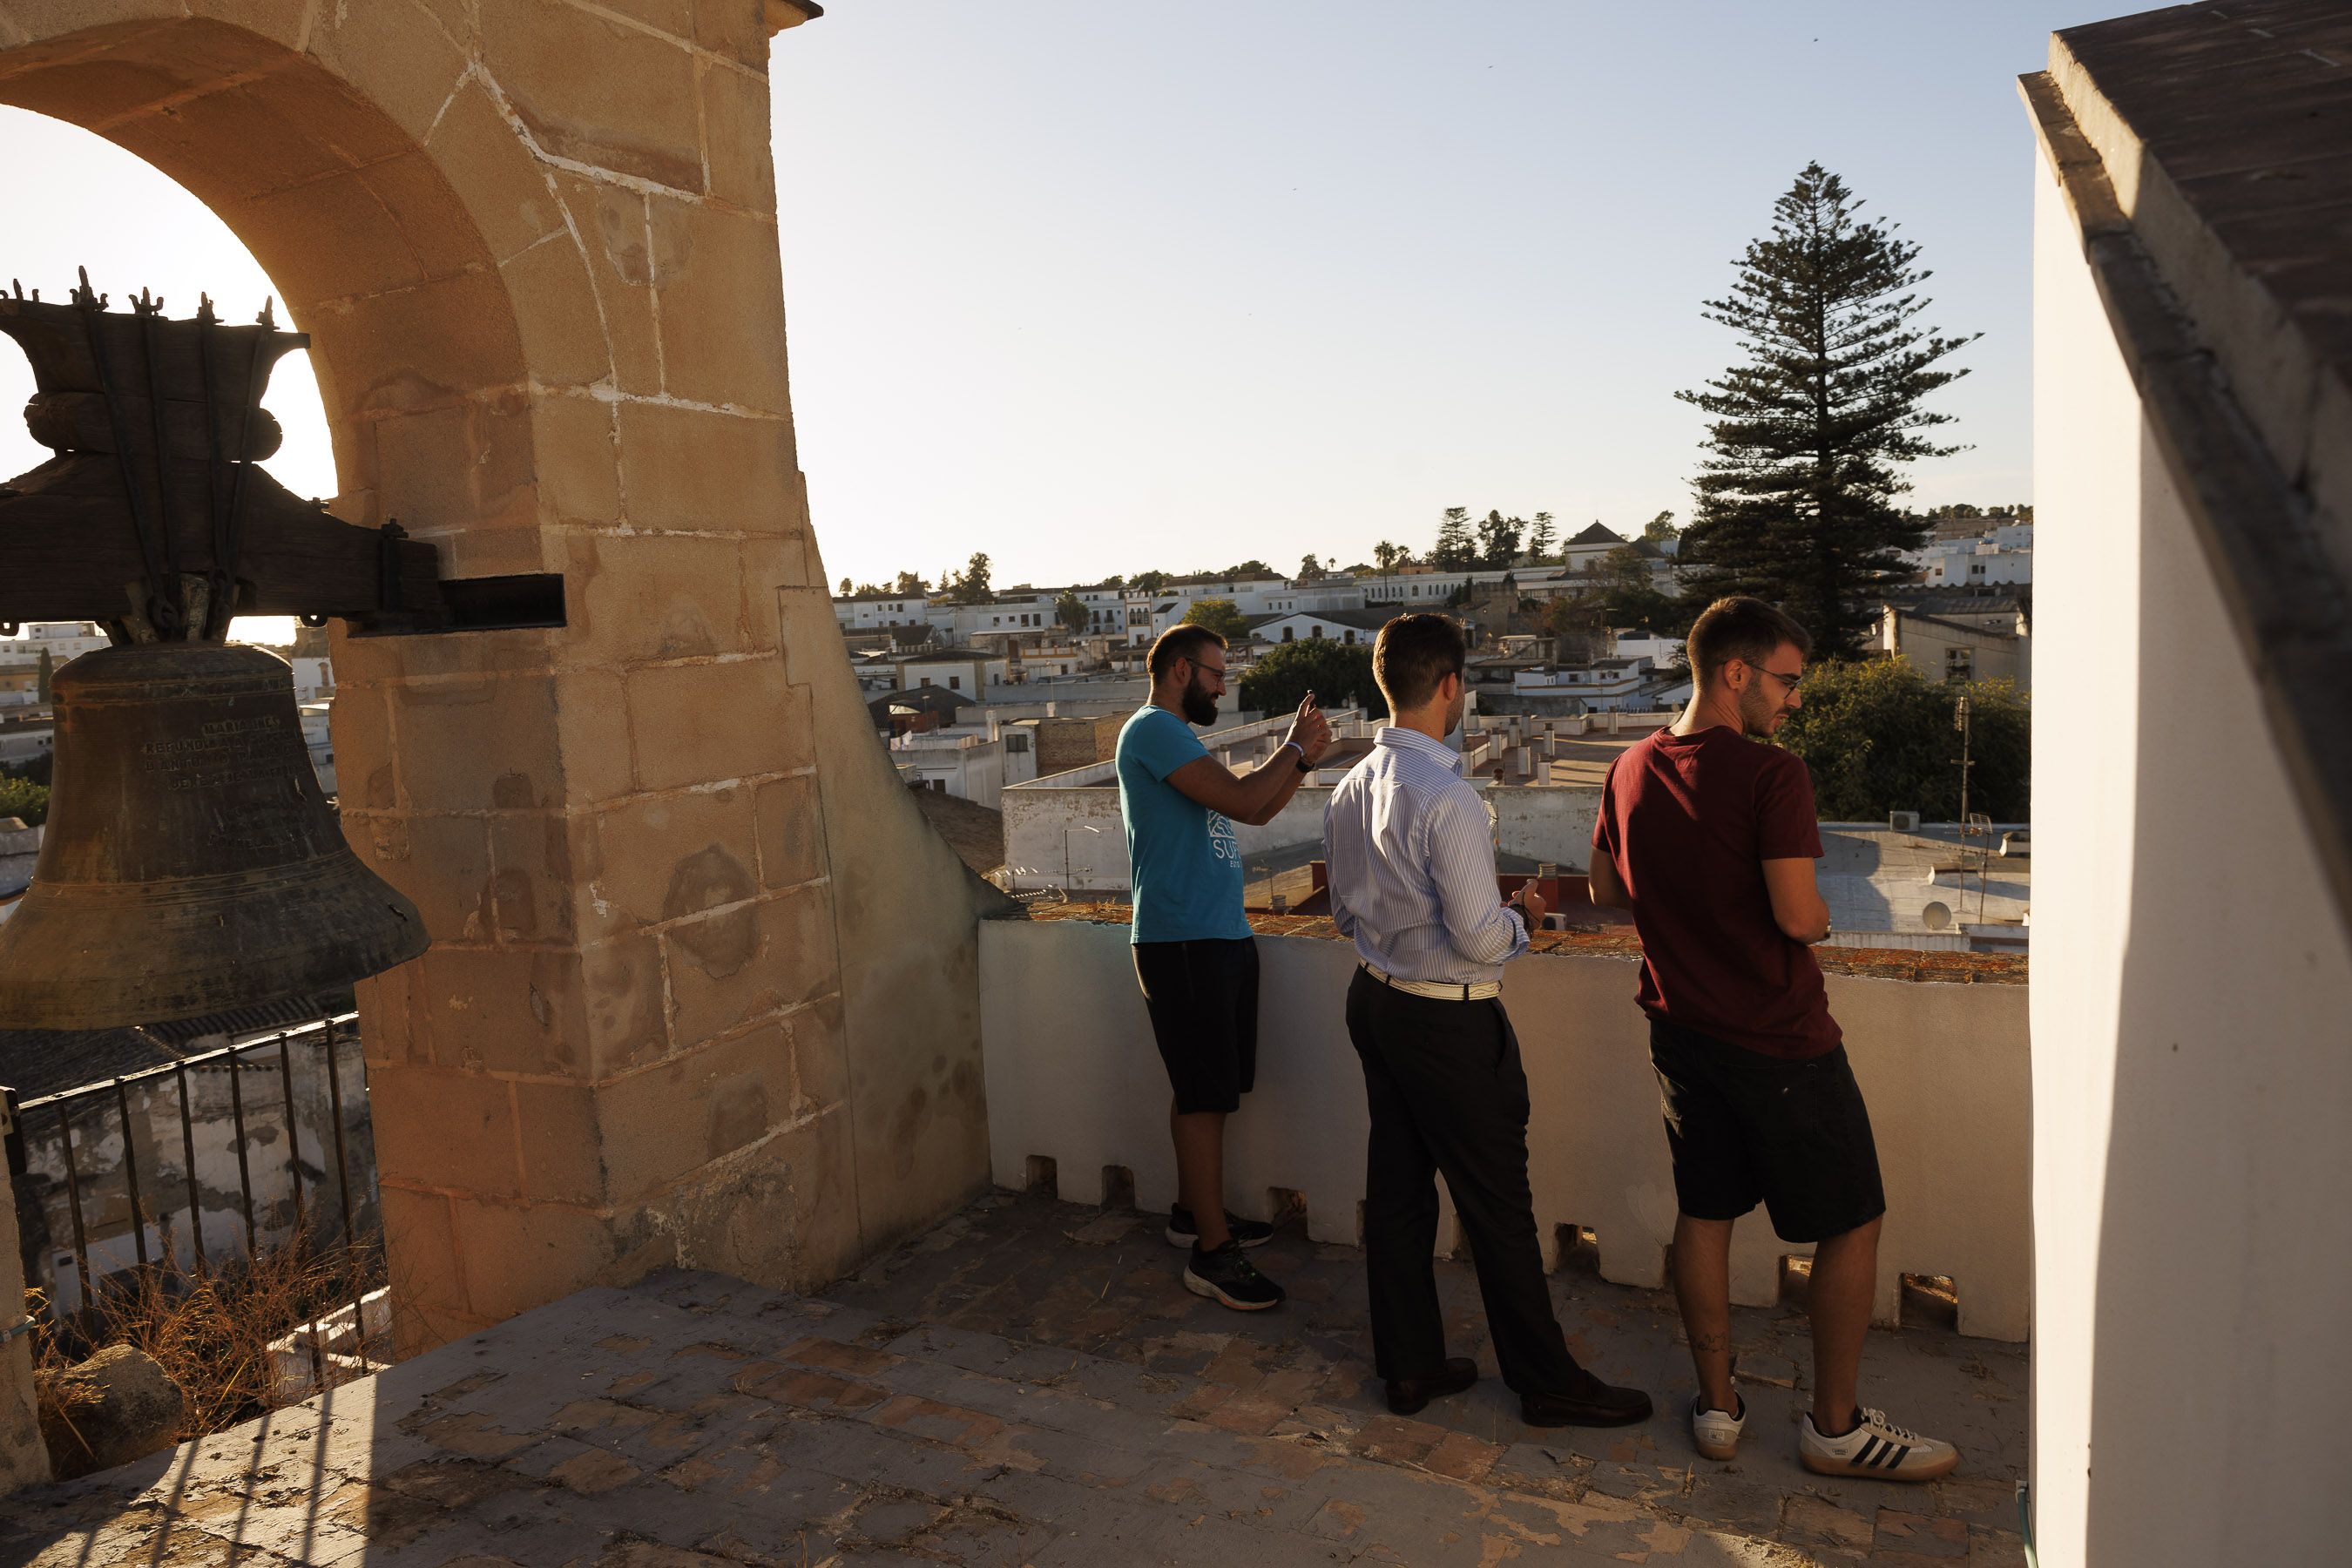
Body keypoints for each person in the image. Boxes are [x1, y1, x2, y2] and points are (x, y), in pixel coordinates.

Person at [1587, 595, 1958, 1480]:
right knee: (1853, 1219)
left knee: (1706, 1213)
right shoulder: (1771, 777)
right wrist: (1820, 913)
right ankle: (1834, 1430)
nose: (1796, 702)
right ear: (1736, 672)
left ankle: (1718, 1408)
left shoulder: (1629, 768)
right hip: (1780, 1040)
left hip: (1681, 1033)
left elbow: (1606, 895)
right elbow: (1799, 917)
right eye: (1787, 682)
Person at [1323, 613, 1652, 1427]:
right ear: (1449, 687)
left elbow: (1342, 913)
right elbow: (1476, 936)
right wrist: (1525, 922)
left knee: (1398, 1193)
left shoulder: (1350, 785)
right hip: (1445, 1023)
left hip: (1376, 1002)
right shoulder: (1447, 794)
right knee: (1497, 1204)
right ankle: (1545, 1380)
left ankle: (1410, 1370)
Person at [1118, 624, 1333, 1311]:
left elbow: (1259, 812)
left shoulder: (1178, 737)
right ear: (1181, 670)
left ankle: (1194, 1213)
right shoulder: (1152, 730)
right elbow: (1244, 800)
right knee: (1203, 1093)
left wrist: (1297, 762)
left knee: (1203, 1086)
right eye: (1215, 673)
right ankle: (1212, 1253)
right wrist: (1295, 748)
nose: (1223, 684)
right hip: (1182, 941)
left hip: (1214, 935)